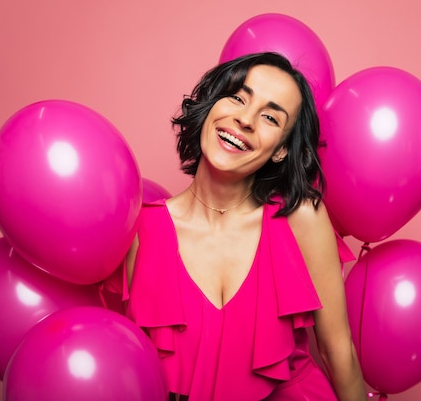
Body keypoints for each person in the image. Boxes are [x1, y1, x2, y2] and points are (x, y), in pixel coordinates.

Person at [116, 52, 366, 400]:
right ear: (210, 106)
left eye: (269, 117)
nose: (245, 119)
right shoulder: (137, 232)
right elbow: (120, 369)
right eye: (237, 97)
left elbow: (340, 353)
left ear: (281, 151)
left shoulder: (301, 218)